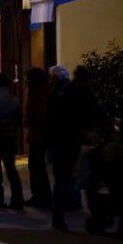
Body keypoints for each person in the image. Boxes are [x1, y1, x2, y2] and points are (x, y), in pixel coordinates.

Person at [47, 65, 107, 231]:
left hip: (61, 140)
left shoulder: (65, 92)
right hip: (74, 140)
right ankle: (70, 206)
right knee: (75, 176)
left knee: (61, 178)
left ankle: (58, 215)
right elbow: (98, 113)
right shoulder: (84, 92)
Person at [0, 72, 25, 209]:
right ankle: (17, 199)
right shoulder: (14, 99)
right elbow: (18, 120)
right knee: (11, 169)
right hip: (9, 137)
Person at [23, 66, 52, 208]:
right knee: (37, 165)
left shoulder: (39, 93)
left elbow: (38, 113)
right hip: (39, 133)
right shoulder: (40, 92)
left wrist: (29, 120)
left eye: (27, 79)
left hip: (39, 134)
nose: (25, 82)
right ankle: (42, 195)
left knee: (36, 165)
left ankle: (41, 196)